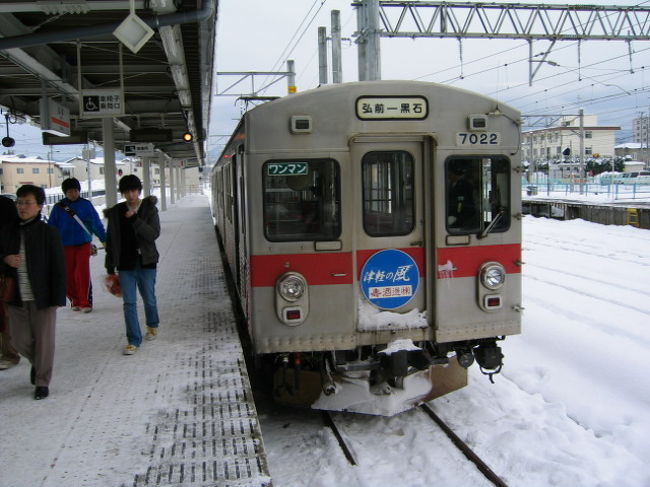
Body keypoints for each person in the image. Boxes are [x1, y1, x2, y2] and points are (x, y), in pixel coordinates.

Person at [0, 185, 66, 400]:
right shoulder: (7, 231)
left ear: (39, 206)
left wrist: (57, 297)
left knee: (44, 341)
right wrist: (5, 259)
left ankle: (42, 382)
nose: (22, 207)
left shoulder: (49, 233)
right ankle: (38, 364)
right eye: (19, 202)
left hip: (43, 296)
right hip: (15, 296)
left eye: (27, 202)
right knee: (19, 341)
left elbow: (58, 267)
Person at [104, 175, 161, 355]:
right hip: (125, 264)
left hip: (146, 262)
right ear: (122, 193)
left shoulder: (149, 208)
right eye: (127, 191)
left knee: (149, 299)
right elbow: (111, 239)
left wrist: (135, 219)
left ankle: (152, 324)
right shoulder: (116, 212)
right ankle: (133, 340)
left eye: (134, 191)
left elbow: (153, 234)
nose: (130, 195)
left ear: (139, 190)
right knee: (129, 303)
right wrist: (109, 265)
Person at [48, 178, 106, 313]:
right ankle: (74, 300)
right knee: (68, 274)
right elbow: (51, 228)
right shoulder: (58, 208)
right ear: (64, 193)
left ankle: (85, 302)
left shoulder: (86, 205)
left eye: (75, 190)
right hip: (64, 246)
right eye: (69, 191)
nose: (73, 194)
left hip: (83, 244)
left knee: (82, 272)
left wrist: (104, 239)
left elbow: (96, 223)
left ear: (79, 191)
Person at [0, 195, 20, 370]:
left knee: (5, 316)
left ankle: (9, 352)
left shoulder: (4, 207)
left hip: (6, 276)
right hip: (7, 274)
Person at [447, 162, 477, 229]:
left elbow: (470, 208)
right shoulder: (450, 184)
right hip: (449, 220)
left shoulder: (466, 186)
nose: (448, 174)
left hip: (459, 224)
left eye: (450, 172)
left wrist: (456, 219)